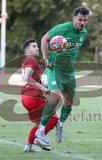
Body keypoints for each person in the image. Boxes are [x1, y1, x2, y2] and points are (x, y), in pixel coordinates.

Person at [35, 6, 89, 145]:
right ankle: (40, 131)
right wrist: (45, 58)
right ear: (73, 18)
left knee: (69, 102)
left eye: (85, 20)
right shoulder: (62, 28)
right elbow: (44, 39)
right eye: (79, 20)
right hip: (54, 68)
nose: (82, 23)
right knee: (55, 97)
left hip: (69, 71)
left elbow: (69, 51)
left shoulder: (83, 32)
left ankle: (60, 124)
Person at [21, 39, 58, 152]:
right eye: (34, 46)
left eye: (37, 46)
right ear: (28, 50)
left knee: (39, 124)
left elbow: (34, 80)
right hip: (33, 97)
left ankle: (29, 146)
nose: (37, 48)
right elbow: (27, 77)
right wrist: (43, 89)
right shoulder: (31, 61)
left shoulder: (28, 62)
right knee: (54, 119)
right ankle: (38, 138)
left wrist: (51, 86)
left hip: (25, 97)